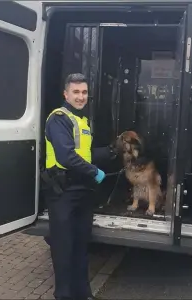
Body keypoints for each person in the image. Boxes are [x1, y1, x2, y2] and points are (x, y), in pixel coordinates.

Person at [43, 73, 116, 300]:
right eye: (76, 92)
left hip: (83, 192)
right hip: (63, 193)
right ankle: (63, 296)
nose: (80, 96)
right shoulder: (58, 119)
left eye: (84, 92)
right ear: (66, 94)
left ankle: (84, 293)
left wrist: (110, 152)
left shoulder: (83, 122)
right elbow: (66, 156)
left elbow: (84, 154)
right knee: (64, 249)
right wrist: (95, 172)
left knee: (81, 247)